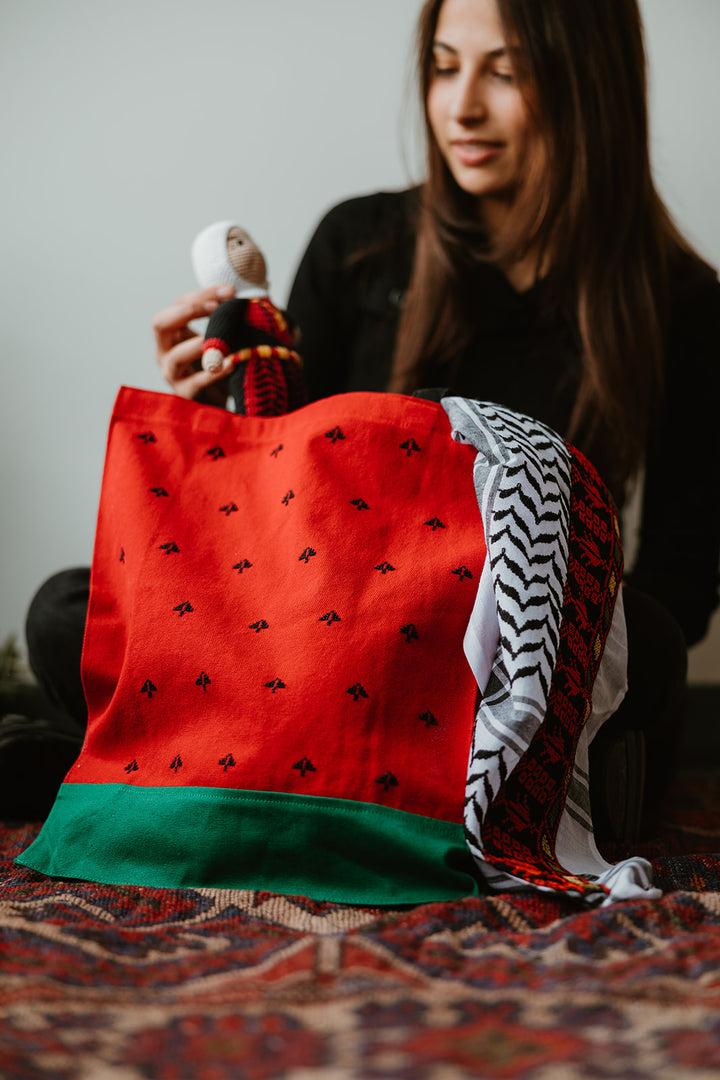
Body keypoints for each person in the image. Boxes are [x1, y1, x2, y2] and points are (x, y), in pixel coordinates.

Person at [18, 0, 720, 837]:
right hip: (331, 634)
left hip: (500, 661)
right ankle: (428, 788)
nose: (460, 106)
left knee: (655, 636)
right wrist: (225, 414)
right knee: (67, 609)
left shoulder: (682, 301)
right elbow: (273, 526)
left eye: (505, 70)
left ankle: (163, 757)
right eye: (442, 65)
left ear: (590, 84)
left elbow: (680, 579)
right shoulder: (360, 243)